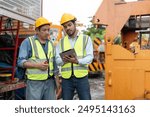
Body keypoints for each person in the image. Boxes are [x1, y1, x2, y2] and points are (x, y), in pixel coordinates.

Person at [55, 13, 93, 100]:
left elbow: (90, 57)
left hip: (82, 78)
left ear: (74, 24)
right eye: (65, 26)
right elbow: (57, 60)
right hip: (66, 79)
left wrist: (77, 61)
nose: (68, 28)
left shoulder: (86, 39)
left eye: (69, 25)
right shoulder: (60, 42)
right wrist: (64, 60)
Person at [17, 17, 57, 100]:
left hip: (50, 82)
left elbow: (54, 63)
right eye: (44, 30)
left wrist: (57, 80)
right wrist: (37, 65)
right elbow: (20, 62)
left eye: (48, 30)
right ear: (37, 31)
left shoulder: (51, 44)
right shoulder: (28, 42)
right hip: (34, 83)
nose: (47, 32)